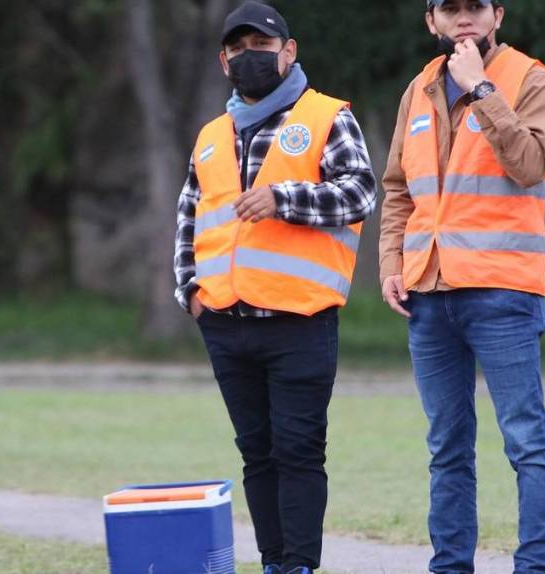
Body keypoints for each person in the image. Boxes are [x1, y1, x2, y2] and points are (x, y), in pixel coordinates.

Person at [174, 3, 376, 573]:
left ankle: (300, 566)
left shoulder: (326, 117)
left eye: (261, 46)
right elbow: (189, 212)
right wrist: (188, 288)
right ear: (223, 61)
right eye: (237, 49)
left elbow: (360, 192)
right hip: (225, 322)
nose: (250, 56)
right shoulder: (212, 136)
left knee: (299, 451)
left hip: (301, 322)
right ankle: (274, 563)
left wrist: (284, 199)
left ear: (289, 51)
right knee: (256, 456)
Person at [378, 0, 545, 572]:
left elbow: (530, 163)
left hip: (502, 292)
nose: (465, 18)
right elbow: (397, 189)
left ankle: (535, 567)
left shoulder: (532, 80)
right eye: (450, 9)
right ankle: (450, 566)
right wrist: (391, 262)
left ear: (498, 16)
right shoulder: (418, 89)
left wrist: (482, 89)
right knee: (447, 449)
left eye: (476, 7)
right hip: (428, 295)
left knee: (526, 441)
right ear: (431, 20)